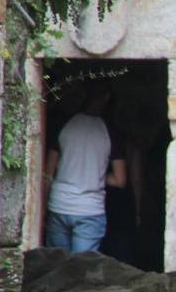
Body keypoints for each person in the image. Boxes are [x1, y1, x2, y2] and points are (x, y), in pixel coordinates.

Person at [45, 88, 127, 253]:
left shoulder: (64, 125)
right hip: (89, 209)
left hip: (59, 204)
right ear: (106, 97)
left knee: (54, 268)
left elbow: (47, 174)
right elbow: (120, 180)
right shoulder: (110, 131)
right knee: (82, 272)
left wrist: (41, 213)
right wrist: (93, 175)